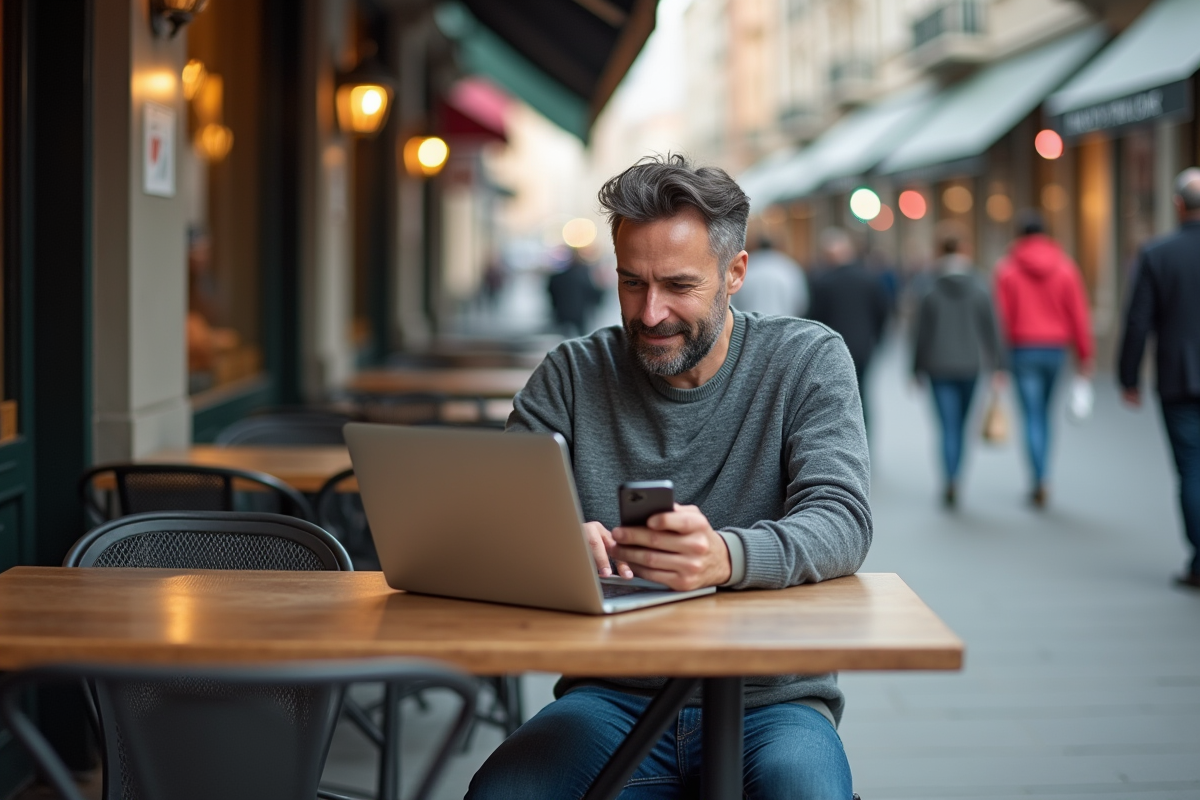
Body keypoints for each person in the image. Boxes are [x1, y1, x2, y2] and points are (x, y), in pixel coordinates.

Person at [467, 155, 871, 799]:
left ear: (735, 273)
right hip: (608, 695)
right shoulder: (571, 374)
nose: (651, 313)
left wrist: (724, 557)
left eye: (679, 286)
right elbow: (496, 522)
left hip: (771, 702)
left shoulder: (807, 360)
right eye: (632, 283)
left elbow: (842, 519)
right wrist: (549, 545)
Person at [1118, 167, 1200, 590]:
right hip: (1178, 378)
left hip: (1180, 377)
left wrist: (1127, 376)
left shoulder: (1157, 253)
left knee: (1191, 468)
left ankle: (1199, 559)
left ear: (1177, 204)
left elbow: (1138, 320)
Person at [994, 211, 1093, 508]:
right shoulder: (1065, 268)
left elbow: (1000, 318)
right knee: (1045, 414)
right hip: (1056, 350)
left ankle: (1039, 477)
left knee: (1032, 415)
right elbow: (1079, 313)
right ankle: (1044, 474)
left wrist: (998, 361)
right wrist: (1085, 355)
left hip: (1022, 350)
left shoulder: (1007, 270)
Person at [911, 223, 1005, 508]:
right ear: (965, 250)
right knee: (962, 425)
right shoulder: (980, 284)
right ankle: (957, 477)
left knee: (946, 426)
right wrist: (999, 365)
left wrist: (915, 367)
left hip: (938, 366)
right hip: (970, 365)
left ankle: (949, 478)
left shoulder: (928, 285)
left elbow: (919, 332)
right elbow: (992, 327)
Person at [807, 227, 890, 430]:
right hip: (863, 346)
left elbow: (813, 317)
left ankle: (843, 436)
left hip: (832, 348)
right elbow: (883, 311)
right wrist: (877, 338)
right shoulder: (869, 279)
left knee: (836, 395)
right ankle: (863, 438)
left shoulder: (822, 282)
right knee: (862, 392)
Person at [735, 236, 809, 317]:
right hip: (784, 322)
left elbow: (735, 299)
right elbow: (801, 301)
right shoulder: (789, 266)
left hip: (749, 323)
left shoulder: (748, 266)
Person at [548, 247, 604, 337]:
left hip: (562, 312)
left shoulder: (558, 277)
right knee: (581, 337)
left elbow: (551, 291)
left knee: (563, 336)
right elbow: (593, 294)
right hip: (579, 313)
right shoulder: (584, 274)